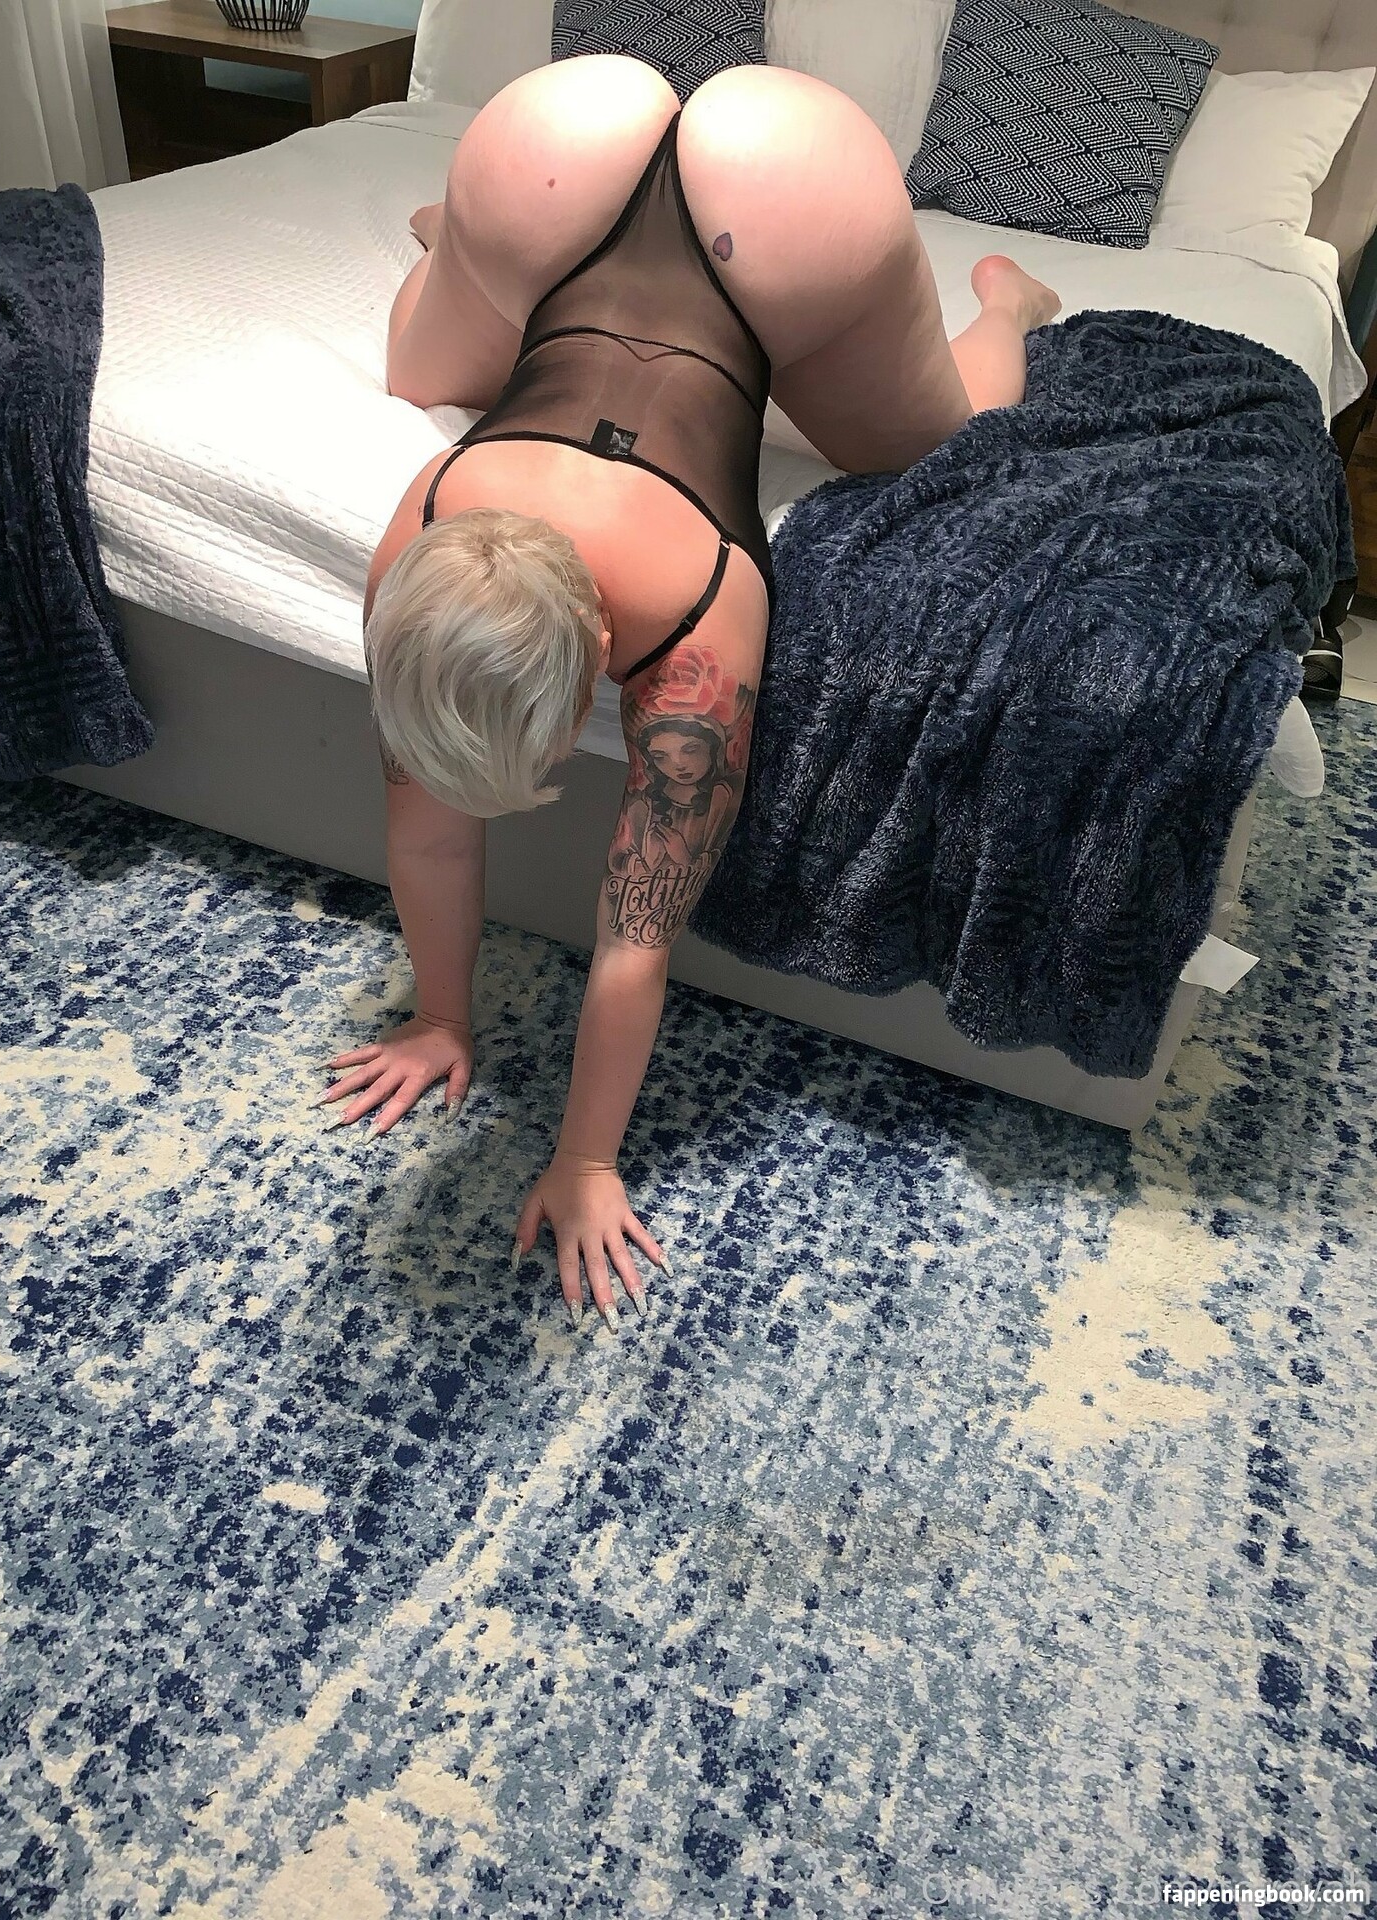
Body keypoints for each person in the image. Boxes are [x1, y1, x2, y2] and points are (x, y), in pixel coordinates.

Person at [318, 53, 1061, 1332]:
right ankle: (461, 243)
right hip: (656, 161)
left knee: (941, 436)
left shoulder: (702, 614)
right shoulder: (426, 584)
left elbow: (635, 940)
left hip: (610, 173)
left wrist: (587, 1161)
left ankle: (1013, 302)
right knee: (409, 372)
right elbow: (463, 841)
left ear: (608, 641)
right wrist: (439, 1019)